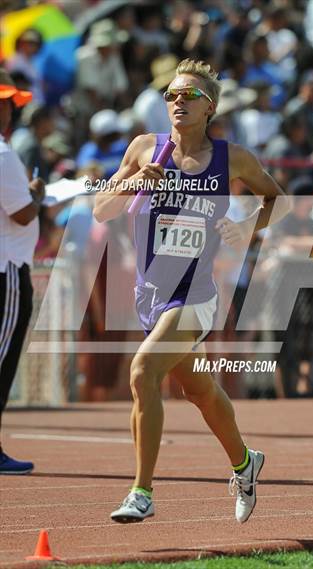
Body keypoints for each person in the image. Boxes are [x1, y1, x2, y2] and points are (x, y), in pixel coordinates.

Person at [93, 59, 289, 523]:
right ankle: (246, 462)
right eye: (172, 95)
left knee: (142, 372)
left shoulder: (232, 158)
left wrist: (246, 228)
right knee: (198, 390)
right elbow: (101, 209)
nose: (178, 101)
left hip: (197, 296)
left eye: (189, 96)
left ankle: (141, 492)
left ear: (210, 108)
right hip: (151, 297)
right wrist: (133, 184)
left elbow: (278, 198)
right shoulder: (145, 149)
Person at [0, 69, 45, 474]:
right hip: (7, 268)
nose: (13, 112)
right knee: (1, 360)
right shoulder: (2, 153)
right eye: (8, 103)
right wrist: (38, 194)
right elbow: (21, 212)